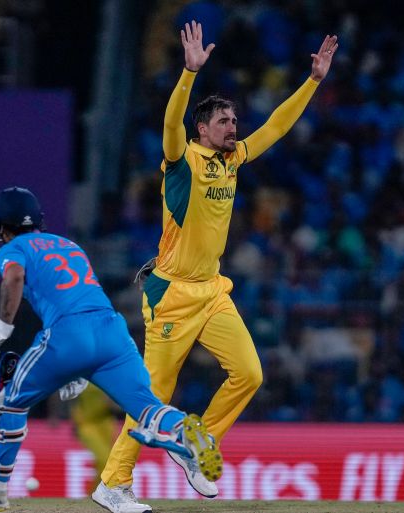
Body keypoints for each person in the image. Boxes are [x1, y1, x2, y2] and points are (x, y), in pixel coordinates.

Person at [97, 20, 338, 506]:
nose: (234, 127)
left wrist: (312, 81)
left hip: (211, 291)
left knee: (250, 374)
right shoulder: (181, 161)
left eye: (234, 120)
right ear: (202, 129)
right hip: (170, 295)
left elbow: (276, 126)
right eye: (224, 121)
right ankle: (113, 484)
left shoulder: (233, 160)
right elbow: (171, 125)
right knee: (152, 399)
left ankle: (197, 445)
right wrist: (189, 74)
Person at [0, 186, 222, 512]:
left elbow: (14, 279)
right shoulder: (69, 245)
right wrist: (75, 372)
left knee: (9, 403)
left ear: (2, 226)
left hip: (69, 334)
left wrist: (2, 329)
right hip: (112, 332)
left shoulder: (14, 248)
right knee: (147, 409)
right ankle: (182, 433)